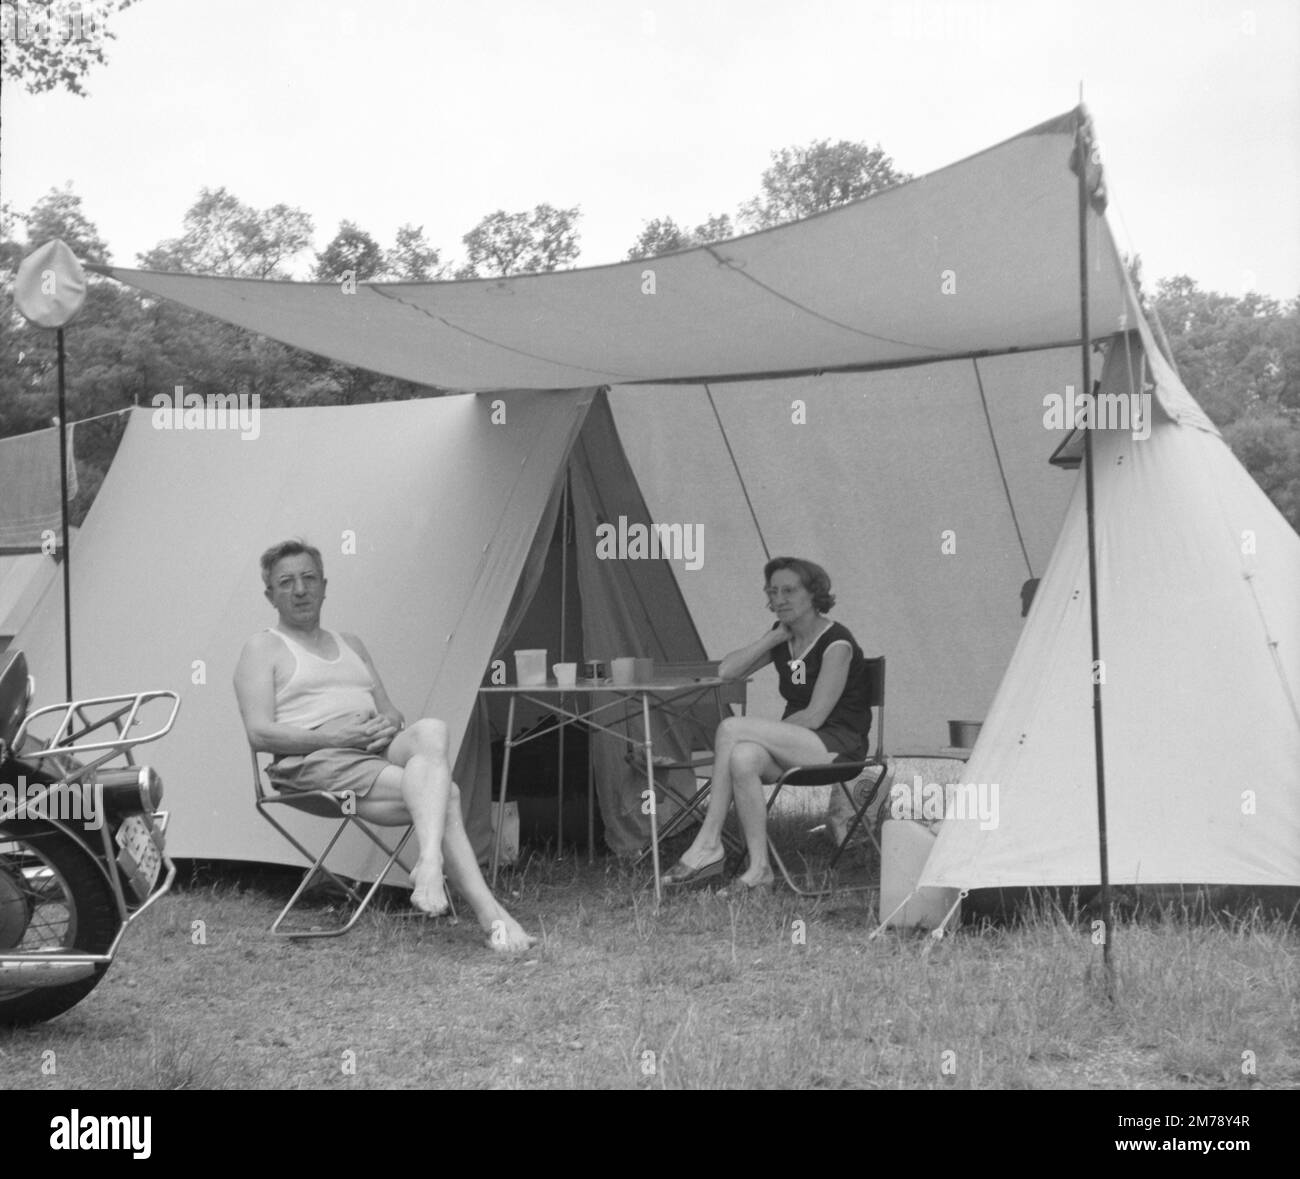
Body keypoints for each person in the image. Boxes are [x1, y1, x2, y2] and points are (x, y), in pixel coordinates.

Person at [233, 539, 535, 952]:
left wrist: (383, 726)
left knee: (430, 730)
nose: (300, 590)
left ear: (325, 584)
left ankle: (430, 863)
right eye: (286, 583)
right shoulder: (262, 648)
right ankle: (489, 914)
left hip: (371, 750)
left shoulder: (351, 644)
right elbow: (259, 733)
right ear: (270, 595)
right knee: (444, 794)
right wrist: (335, 736)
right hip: (314, 761)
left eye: (308, 578)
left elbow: (392, 713)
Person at [663, 556, 870, 892]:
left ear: (814, 594)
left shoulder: (837, 643)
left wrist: (770, 732)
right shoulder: (782, 637)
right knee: (743, 756)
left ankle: (709, 840)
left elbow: (816, 716)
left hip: (838, 748)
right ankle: (759, 869)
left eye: (789, 591)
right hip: (800, 744)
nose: (779, 599)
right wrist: (770, 641)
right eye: (772, 592)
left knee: (732, 729)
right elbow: (727, 673)